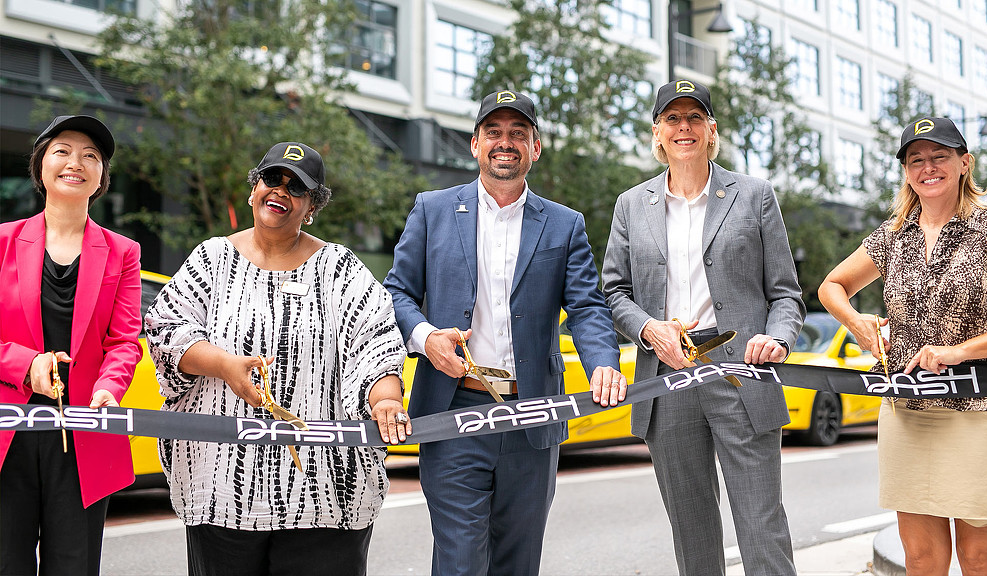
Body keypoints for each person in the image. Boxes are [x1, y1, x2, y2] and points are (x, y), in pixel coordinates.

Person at [383, 89, 625, 576]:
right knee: (460, 560)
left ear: (535, 148)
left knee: (518, 560)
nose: (505, 143)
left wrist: (603, 362)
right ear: (475, 144)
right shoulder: (432, 209)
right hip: (453, 412)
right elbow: (397, 293)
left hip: (533, 414)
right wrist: (426, 336)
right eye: (493, 132)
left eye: (518, 133)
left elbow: (586, 307)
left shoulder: (565, 224)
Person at [145, 142, 408, 576]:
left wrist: (384, 400)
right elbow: (168, 331)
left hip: (325, 491)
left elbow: (376, 343)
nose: (281, 192)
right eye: (273, 179)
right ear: (253, 190)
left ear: (311, 207)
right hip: (221, 488)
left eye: (298, 188)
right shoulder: (211, 260)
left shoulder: (340, 269)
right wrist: (225, 365)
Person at [602, 79, 804, 576]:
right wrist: (650, 329)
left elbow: (786, 293)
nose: (684, 127)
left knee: (762, 526)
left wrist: (776, 339)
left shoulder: (754, 195)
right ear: (658, 132)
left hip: (741, 372)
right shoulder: (632, 204)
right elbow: (614, 292)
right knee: (691, 531)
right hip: (666, 378)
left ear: (711, 130)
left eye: (694, 118)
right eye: (673, 119)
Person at [819, 117, 987, 576]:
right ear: (907, 172)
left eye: (940, 156)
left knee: (979, 558)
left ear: (964, 163)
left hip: (983, 407)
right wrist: (856, 321)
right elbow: (831, 285)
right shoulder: (893, 235)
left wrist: (960, 351)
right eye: (916, 160)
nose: (928, 167)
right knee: (922, 559)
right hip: (908, 411)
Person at [0, 115, 142, 576]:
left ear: (101, 176)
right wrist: (24, 364)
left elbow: (124, 341)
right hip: (8, 434)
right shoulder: (1, 241)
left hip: (84, 434)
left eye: (91, 156)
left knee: (74, 567)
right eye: (62, 150)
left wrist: (108, 389)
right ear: (41, 164)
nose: (75, 163)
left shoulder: (123, 252)